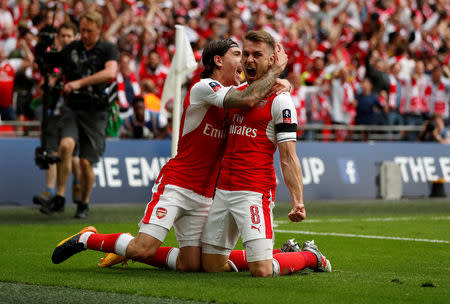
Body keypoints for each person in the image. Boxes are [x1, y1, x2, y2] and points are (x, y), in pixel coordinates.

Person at [51, 38, 290, 273]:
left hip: (206, 194)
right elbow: (248, 97)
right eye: (238, 54)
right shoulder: (204, 87)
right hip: (178, 184)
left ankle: (124, 249)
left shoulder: (234, 93)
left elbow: (255, 92)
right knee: (142, 248)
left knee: (192, 264)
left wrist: (282, 84)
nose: (246, 60)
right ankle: (88, 239)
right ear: (218, 60)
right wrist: (278, 70)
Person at [201, 30, 331, 277]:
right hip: (223, 191)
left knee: (261, 270)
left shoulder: (280, 101)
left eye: (257, 54)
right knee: (210, 265)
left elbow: (288, 156)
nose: (249, 59)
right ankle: (282, 254)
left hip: (253, 191)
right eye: (246, 54)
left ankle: (309, 256)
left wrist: (298, 201)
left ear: (271, 60)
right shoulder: (238, 94)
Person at [39, 11, 119, 218]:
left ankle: (83, 203)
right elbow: (51, 65)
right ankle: (59, 196)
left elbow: (110, 72)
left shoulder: (108, 49)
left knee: (85, 162)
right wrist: (43, 53)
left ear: (98, 30)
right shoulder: (72, 49)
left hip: (96, 111)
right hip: (73, 108)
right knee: (65, 145)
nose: (84, 35)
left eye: (88, 31)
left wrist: (79, 83)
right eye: (81, 30)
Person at [33, 23, 82, 207]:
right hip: (53, 112)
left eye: (70, 36)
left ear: (74, 37)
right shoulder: (51, 59)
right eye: (63, 36)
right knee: (52, 150)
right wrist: (49, 82)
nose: (66, 39)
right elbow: (41, 91)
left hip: (74, 113)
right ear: (58, 37)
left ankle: (76, 183)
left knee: (71, 152)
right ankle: (51, 191)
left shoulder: (78, 57)